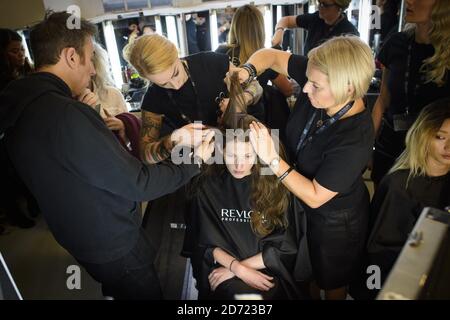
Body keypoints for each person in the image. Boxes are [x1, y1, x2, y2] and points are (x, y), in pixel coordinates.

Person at [0, 11, 214, 300]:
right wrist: (195, 162)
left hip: (74, 234)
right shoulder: (66, 115)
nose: (92, 70)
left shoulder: (18, 102)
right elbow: (139, 183)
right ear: (71, 57)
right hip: (113, 243)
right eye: (89, 58)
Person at [234, 35, 375, 299]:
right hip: (298, 202)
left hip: (334, 221)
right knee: (305, 271)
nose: (305, 89)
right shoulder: (320, 73)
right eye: (307, 79)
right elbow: (271, 56)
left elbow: (315, 196)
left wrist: (272, 158)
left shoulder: (355, 138)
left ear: (348, 88)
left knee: (331, 281)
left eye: (315, 85)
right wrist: (246, 72)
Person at [192, 73, 311, 300]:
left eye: (248, 155)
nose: (239, 164)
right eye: (231, 155)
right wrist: (236, 268)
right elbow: (203, 244)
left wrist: (240, 269)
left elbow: (286, 245)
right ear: (220, 151)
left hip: (269, 270)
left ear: (259, 153)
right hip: (223, 268)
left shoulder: (276, 183)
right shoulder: (208, 186)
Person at [123, 33, 264, 165]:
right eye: (163, 84)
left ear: (176, 54)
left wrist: (240, 101)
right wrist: (174, 140)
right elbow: (146, 155)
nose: (175, 85)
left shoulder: (210, 62)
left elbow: (256, 87)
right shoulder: (153, 99)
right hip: (204, 163)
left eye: (175, 73)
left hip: (242, 150)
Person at [364, 98, 450, 298]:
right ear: (423, 136)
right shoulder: (398, 186)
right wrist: (374, 290)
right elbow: (377, 253)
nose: (448, 147)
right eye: (440, 137)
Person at [371, 0, 450, 186]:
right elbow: (382, 102)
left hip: (432, 155)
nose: (409, 1)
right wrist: (367, 147)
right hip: (390, 146)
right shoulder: (396, 43)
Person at [215, 4, 293, 144]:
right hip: (256, 125)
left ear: (235, 27)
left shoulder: (221, 52)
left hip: (228, 121)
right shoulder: (266, 58)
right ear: (260, 29)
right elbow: (288, 89)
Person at [0, 28, 37, 229]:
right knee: (8, 178)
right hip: (5, 141)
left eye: (22, 49)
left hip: (26, 136)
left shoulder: (28, 75)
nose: (21, 54)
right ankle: (15, 214)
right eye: (15, 51)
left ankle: (34, 203)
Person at [271, 0, 358, 56]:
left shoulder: (350, 33)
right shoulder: (316, 19)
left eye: (325, 5)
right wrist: (279, 30)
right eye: (319, 2)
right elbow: (286, 20)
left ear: (340, 7)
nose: (319, 7)